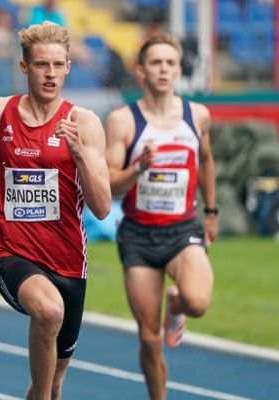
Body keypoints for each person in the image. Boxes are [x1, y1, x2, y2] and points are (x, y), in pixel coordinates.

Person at [0, 21, 111, 400]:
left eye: (58, 65)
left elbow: (103, 207)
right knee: (48, 312)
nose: (51, 74)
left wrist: (80, 156)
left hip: (69, 261)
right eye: (42, 65)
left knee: (54, 384)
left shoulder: (85, 123)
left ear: (69, 67)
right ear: (25, 67)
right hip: (12, 250)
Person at [105, 32, 216, 400]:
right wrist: (139, 167)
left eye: (171, 62)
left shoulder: (196, 115)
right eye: (156, 62)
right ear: (141, 70)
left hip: (182, 230)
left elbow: (206, 162)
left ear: (179, 69)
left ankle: (177, 302)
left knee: (198, 302)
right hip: (138, 235)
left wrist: (211, 211)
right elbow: (110, 185)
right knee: (150, 338)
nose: (165, 69)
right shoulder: (123, 121)